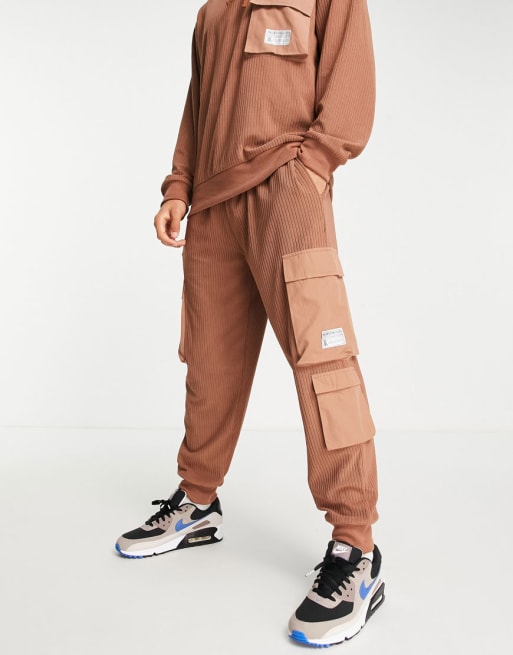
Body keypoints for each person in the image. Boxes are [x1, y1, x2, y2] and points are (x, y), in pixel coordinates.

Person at [115, 0, 385, 647]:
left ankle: (356, 546)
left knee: (323, 364)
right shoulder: (212, 12)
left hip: (287, 194)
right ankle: (197, 501)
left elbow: (351, 87)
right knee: (208, 361)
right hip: (211, 206)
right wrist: (177, 187)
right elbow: (197, 106)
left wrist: (310, 168)